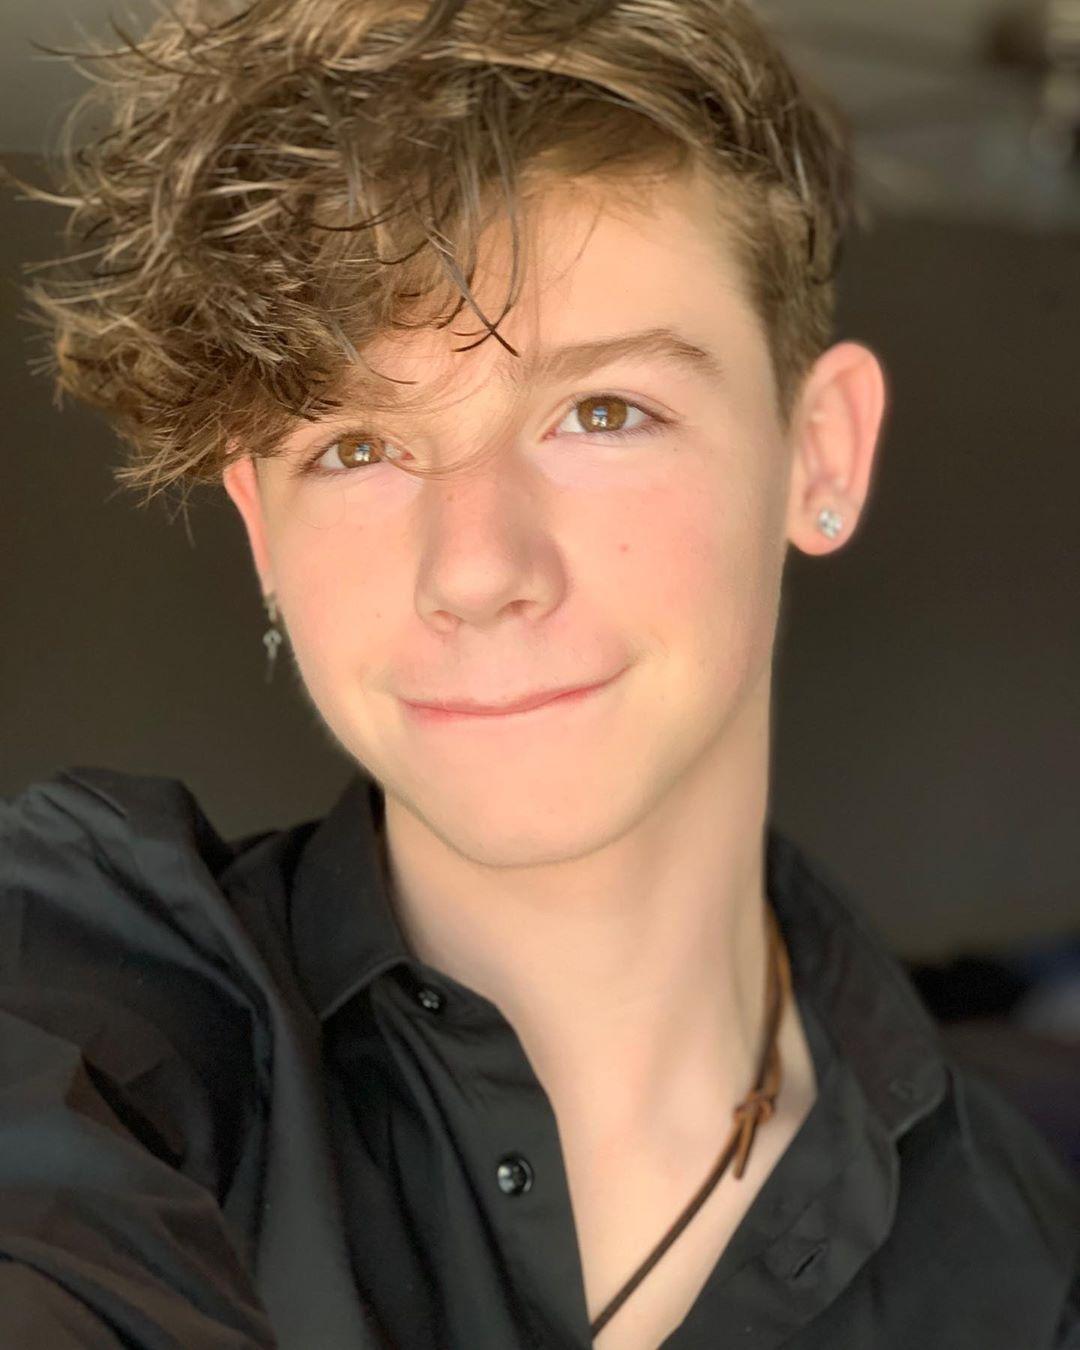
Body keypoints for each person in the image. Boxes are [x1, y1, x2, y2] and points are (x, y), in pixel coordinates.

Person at [2, 0, 1077, 1347]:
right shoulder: (85, 985)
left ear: (820, 452)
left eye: (602, 411)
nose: (474, 566)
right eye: (354, 447)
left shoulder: (1017, 1258)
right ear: (262, 529)